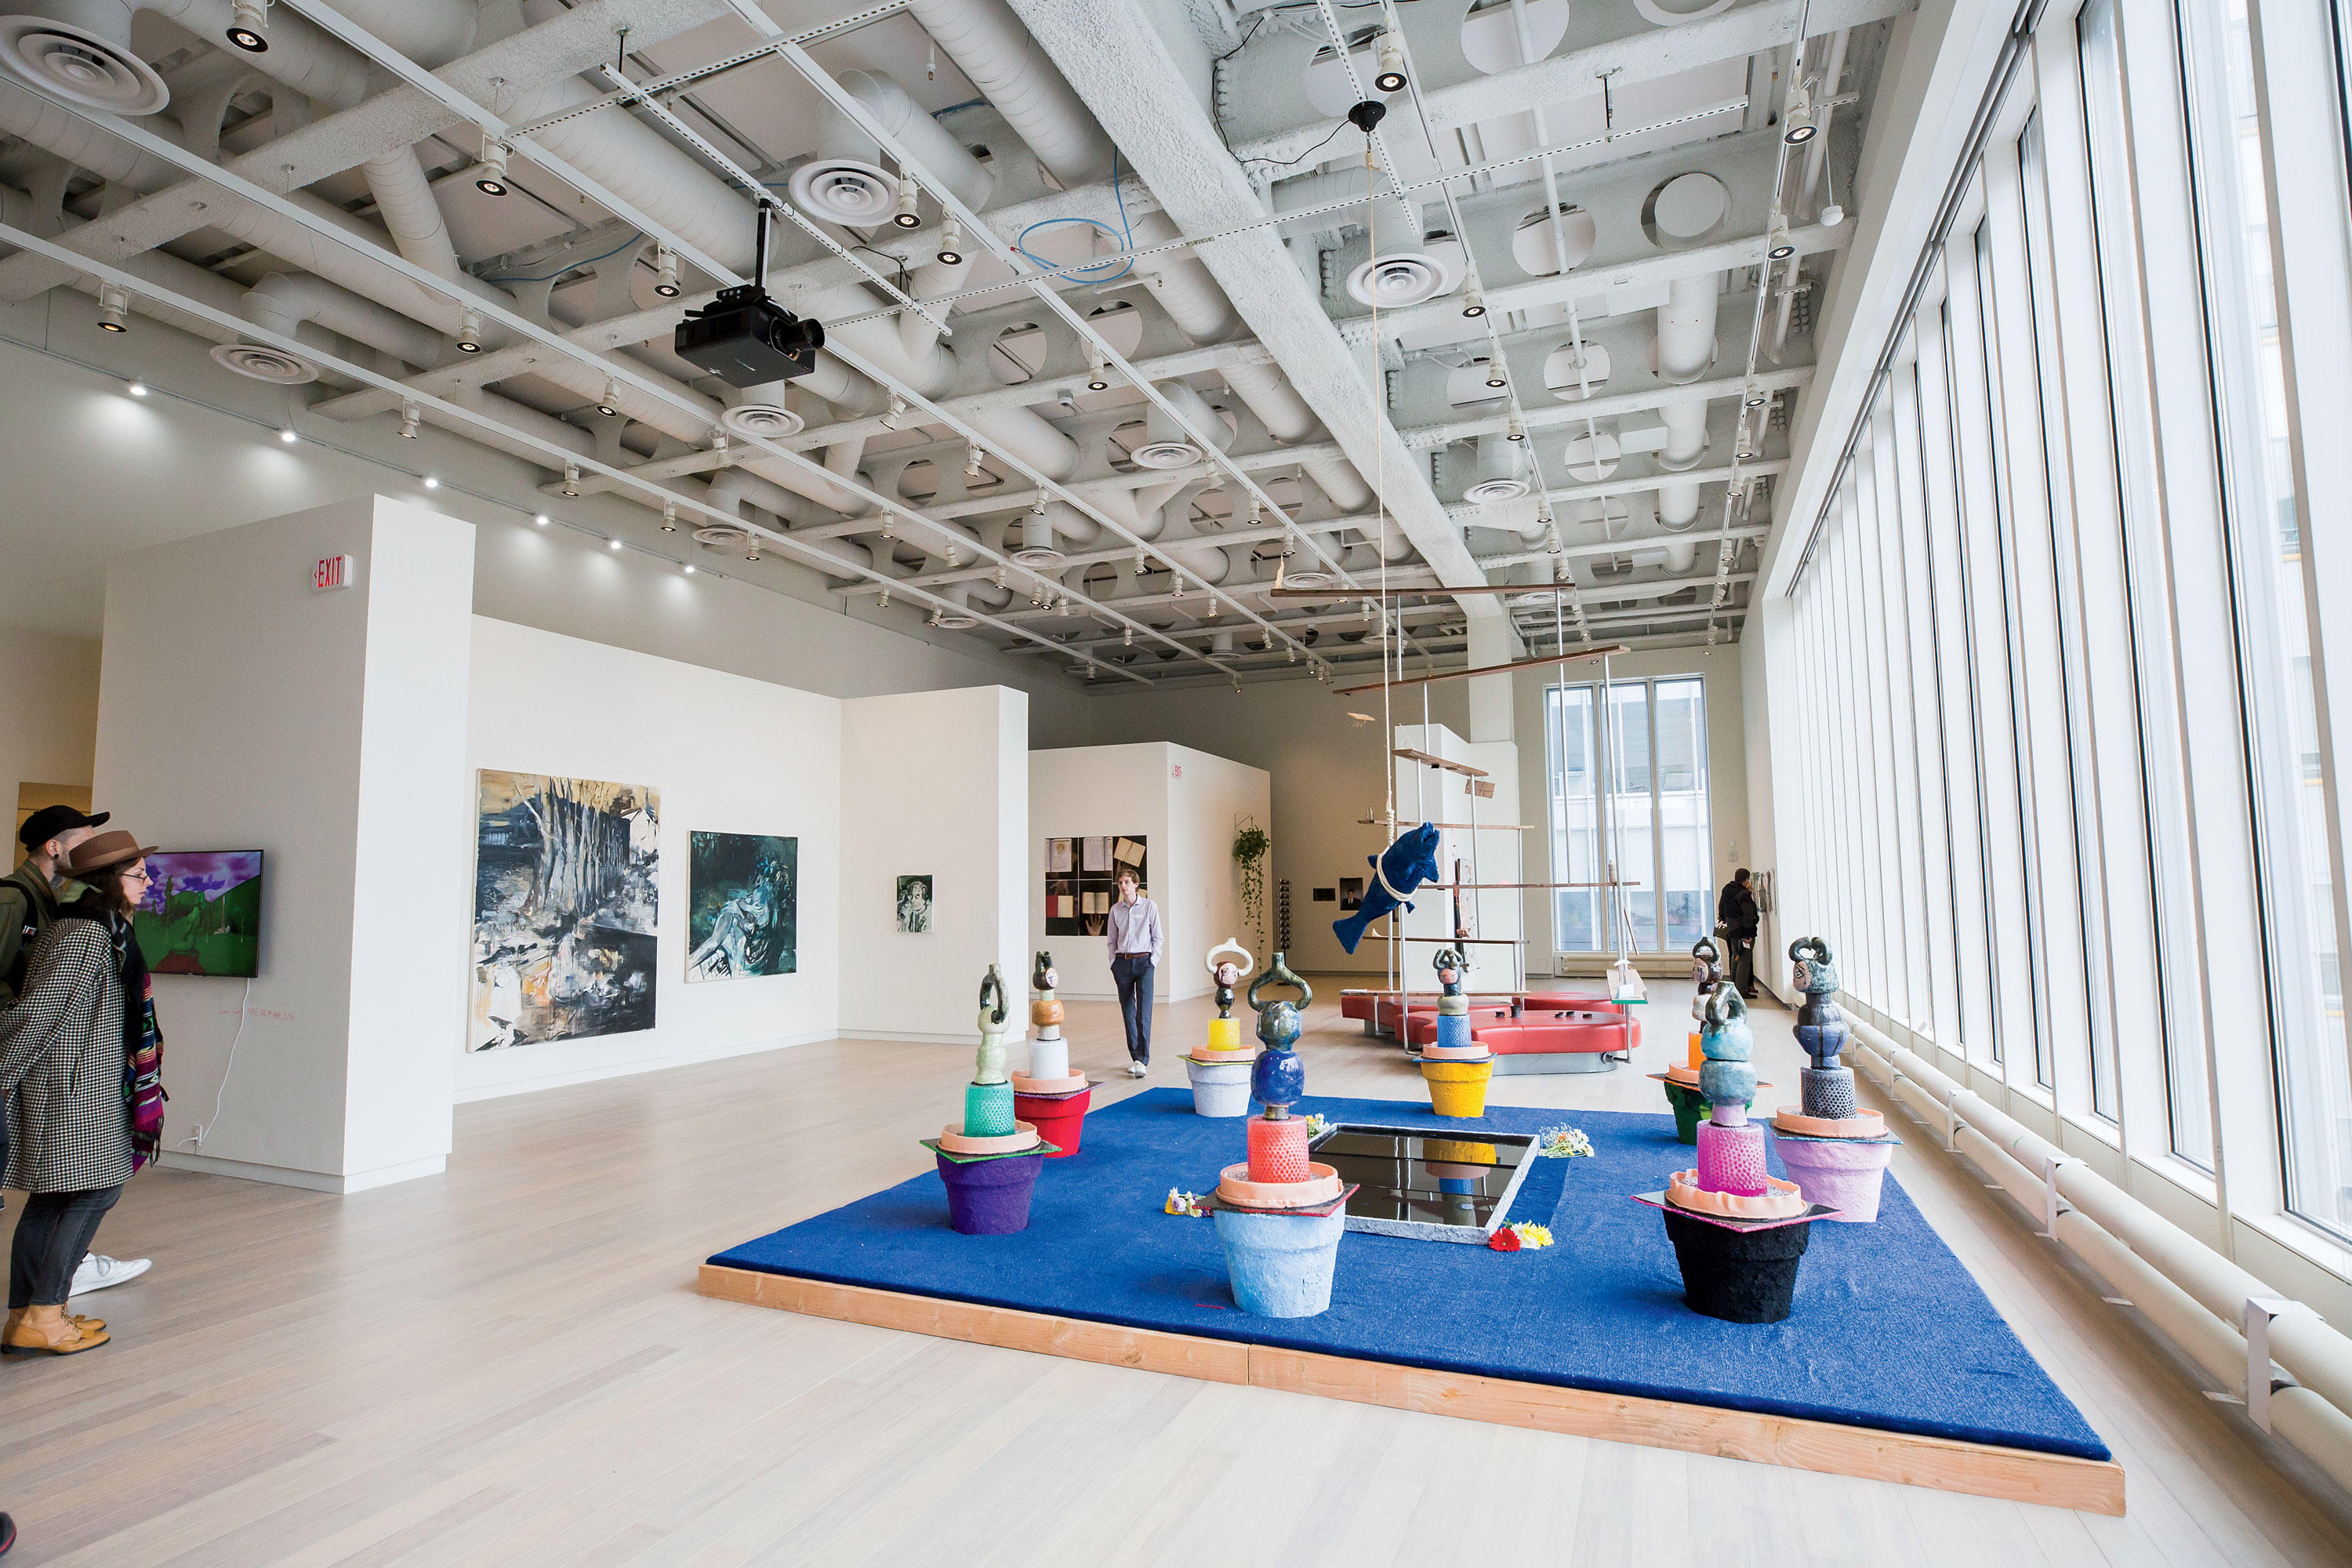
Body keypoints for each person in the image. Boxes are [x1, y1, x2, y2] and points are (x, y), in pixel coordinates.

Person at [1, 831, 169, 1356]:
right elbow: (38, 1014)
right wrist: (3, 1074)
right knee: (97, 1189)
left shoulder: (106, 928)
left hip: (85, 1082)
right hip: (69, 1086)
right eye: (139, 874)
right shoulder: (83, 935)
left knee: (54, 1199)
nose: (148, 883)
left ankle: (29, 1317)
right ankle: (45, 1311)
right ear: (110, 880)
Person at [1104, 868, 1162, 1077]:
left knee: (1143, 1011)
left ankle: (1142, 1059)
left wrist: (1152, 962)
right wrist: (1113, 962)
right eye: (1120, 883)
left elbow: (1158, 938)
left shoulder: (1149, 906)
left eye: (1127, 882)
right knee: (1128, 1011)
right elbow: (1111, 940)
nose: (1123, 886)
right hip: (1122, 963)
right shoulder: (1115, 910)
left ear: (1136, 884)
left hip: (1144, 962)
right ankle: (1135, 1057)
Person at [1717, 868, 1761, 1000]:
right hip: (1743, 931)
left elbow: (1722, 909)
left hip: (1732, 930)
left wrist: (1728, 921)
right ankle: (1741, 990)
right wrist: (1748, 933)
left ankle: (1733, 987)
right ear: (1746, 879)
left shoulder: (1727, 889)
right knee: (1744, 959)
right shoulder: (1744, 894)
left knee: (1735, 956)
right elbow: (1748, 915)